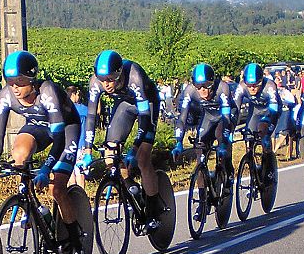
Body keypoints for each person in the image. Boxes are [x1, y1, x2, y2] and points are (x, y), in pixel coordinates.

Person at [0, 51, 85, 254]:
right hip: (37, 127)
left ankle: (75, 240)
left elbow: (59, 139)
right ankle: (27, 198)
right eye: (10, 82)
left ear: (32, 79)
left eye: (20, 82)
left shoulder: (48, 93)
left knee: (57, 188)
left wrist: (46, 169)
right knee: (19, 153)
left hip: (65, 129)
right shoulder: (6, 96)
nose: (14, 87)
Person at [79, 50, 164, 230]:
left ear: (119, 74)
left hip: (146, 106)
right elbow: (92, 117)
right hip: (124, 106)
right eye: (103, 79)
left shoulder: (134, 75)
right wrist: (87, 151)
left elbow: (144, 118)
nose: (106, 84)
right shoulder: (96, 82)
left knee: (142, 158)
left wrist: (134, 149)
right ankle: (131, 188)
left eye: (111, 79)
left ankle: (154, 210)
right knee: (111, 155)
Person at [171, 63, 236, 220]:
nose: (203, 90)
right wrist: (178, 142)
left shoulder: (223, 88)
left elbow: (226, 118)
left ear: (213, 82)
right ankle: (202, 202)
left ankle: (227, 172)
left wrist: (223, 144)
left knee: (222, 140)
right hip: (207, 118)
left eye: (207, 86)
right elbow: (182, 118)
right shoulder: (189, 91)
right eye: (199, 87)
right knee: (200, 157)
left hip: (224, 117)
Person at [233, 63, 280, 155]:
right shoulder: (241, 86)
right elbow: (235, 108)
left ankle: (268, 161)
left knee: (263, 131)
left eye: (256, 85)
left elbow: (274, 110)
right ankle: (250, 160)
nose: (252, 88)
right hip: (255, 111)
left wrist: (267, 128)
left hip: (269, 111)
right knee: (248, 136)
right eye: (249, 85)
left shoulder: (270, 86)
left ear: (261, 81)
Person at [67, 85, 88, 187]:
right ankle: (81, 194)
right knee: (80, 171)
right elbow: (95, 113)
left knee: (70, 171)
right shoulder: (82, 109)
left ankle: (72, 194)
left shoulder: (64, 109)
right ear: (73, 94)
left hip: (68, 144)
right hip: (81, 143)